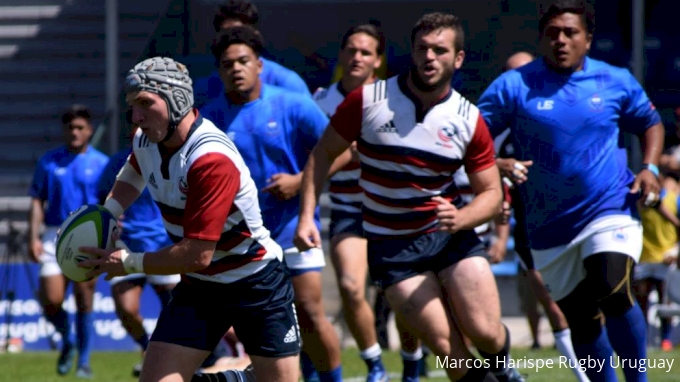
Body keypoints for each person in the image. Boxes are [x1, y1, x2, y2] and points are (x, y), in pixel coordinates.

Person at [295, 12, 525, 382]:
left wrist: (462, 219)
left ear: (458, 58)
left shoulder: (468, 118)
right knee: (449, 348)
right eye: (423, 49)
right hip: (394, 249)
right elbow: (321, 154)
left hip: (452, 239)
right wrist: (307, 216)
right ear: (412, 53)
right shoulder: (369, 100)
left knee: (485, 331)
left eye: (440, 49)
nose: (430, 57)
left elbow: (490, 193)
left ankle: (505, 368)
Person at [78, 56, 300, 382]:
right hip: (202, 287)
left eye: (144, 103)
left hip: (255, 280)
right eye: (132, 105)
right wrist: (107, 214)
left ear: (176, 100)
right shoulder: (147, 139)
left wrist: (127, 262)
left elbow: (198, 254)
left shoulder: (210, 158)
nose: (136, 116)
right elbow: (134, 170)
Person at [477, 1, 664, 380]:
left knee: (612, 286)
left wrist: (650, 168)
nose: (561, 40)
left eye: (570, 32)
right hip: (548, 225)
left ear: (588, 39)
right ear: (541, 38)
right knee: (581, 319)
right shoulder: (514, 85)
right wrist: (496, 165)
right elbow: (472, 137)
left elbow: (650, 122)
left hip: (610, 206)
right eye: (552, 33)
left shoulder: (614, 79)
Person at [200, 26, 344, 382]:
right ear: (219, 70)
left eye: (243, 61)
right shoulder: (208, 118)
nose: (236, 68)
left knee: (309, 312)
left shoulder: (292, 104)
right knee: (254, 325)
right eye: (227, 63)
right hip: (238, 240)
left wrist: (299, 182)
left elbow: (341, 152)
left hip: (292, 228)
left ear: (260, 65)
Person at [495, 51, 588, 382]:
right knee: (550, 302)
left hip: (576, 223)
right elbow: (476, 166)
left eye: (523, 72)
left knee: (589, 305)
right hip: (531, 231)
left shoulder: (564, 114)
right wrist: (497, 178)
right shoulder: (499, 127)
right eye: (509, 73)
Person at [312, 22, 391, 382]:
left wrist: (348, 151)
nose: (357, 57)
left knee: (400, 295)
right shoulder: (321, 101)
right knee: (350, 286)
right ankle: (374, 363)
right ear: (342, 56)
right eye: (352, 50)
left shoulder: (395, 100)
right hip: (348, 209)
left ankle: (411, 359)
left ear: (377, 60)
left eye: (366, 52)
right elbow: (316, 157)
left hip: (393, 208)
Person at [27, 104, 109, 379]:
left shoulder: (101, 163)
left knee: (85, 300)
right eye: (70, 127)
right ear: (64, 131)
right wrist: (33, 236)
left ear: (90, 131)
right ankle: (68, 342)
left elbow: (110, 204)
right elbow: (37, 200)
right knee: (50, 300)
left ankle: (84, 363)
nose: (74, 132)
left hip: (88, 237)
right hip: (54, 234)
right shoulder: (49, 162)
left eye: (80, 128)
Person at [96, 121, 181, 377]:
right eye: (134, 127)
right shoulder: (117, 162)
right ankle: (147, 348)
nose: (139, 132)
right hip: (126, 244)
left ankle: (210, 354)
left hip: (163, 244)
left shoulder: (172, 158)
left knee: (177, 311)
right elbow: (103, 197)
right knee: (126, 308)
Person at [193, 0, 310, 109]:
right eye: (226, 34)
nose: (233, 39)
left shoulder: (288, 83)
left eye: (240, 32)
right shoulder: (204, 89)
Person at [634, 172, 679, 351]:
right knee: (641, 304)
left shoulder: (674, 200)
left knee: (665, 302)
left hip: (665, 258)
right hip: (643, 258)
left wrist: (676, 251)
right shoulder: (638, 201)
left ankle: (666, 340)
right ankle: (642, 341)